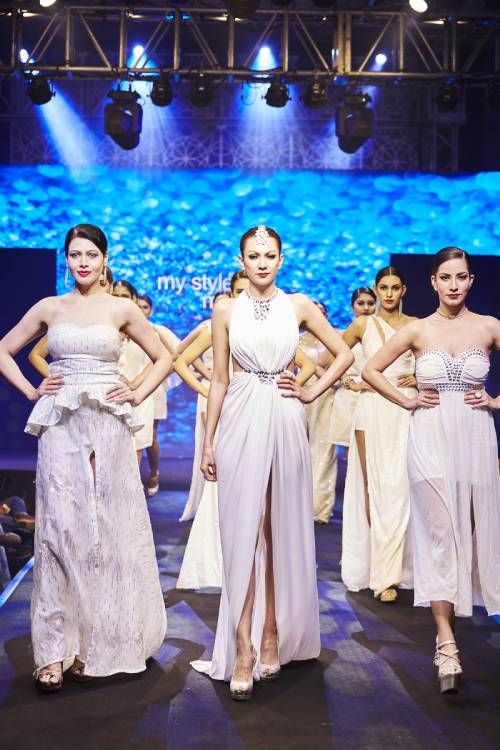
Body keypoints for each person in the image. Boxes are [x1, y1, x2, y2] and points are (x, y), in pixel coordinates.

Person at [0, 224, 170, 692]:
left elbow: (164, 358)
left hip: (107, 425)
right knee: (58, 529)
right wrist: (32, 389)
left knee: (104, 526)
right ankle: (53, 651)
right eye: (75, 254)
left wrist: (136, 392)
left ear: (104, 258)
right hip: (61, 422)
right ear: (67, 258)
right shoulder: (50, 307)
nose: (83, 262)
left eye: (91, 254)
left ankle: (95, 643)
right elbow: (4, 350)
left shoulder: (121, 308)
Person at [191, 225, 353, 701]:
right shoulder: (225, 308)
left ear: (282, 259)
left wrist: (310, 391)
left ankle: (272, 634)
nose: (262, 262)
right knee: (242, 528)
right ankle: (242, 645)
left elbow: (343, 354)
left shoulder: (298, 305)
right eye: (253, 255)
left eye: (269, 255)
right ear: (241, 261)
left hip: (284, 414)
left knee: (275, 528)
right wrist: (208, 442)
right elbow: (219, 379)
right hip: (240, 412)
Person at [363, 247, 500, 694]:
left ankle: (460, 621)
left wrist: (495, 401)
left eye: (461, 277)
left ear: (471, 280)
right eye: (446, 277)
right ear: (434, 283)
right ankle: (446, 641)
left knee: (470, 535)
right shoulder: (418, 330)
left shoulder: (489, 327)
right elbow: (370, 369)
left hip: (476, 439)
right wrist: (406, 400)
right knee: (440, 534)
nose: (454, 285)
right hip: (429, 438)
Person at [341, 267, 417, 604]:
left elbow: (437, 363)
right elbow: (333, 357)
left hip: (405, 410)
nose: (388, 294)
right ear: (376, 289)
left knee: (402, 488)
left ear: (403, 290)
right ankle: (382, 574)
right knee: (373, 488)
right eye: (383, 288)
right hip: (370, 409)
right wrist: (352, 381)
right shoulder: (362, 324)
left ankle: (401, 567)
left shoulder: (416, 325)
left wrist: (419, 378)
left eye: (394, 288)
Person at [176, 275, 249, 523]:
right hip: (217, 392)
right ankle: (216, 516)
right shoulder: (211, 326)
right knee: (217, 453)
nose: (242, 297)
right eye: (238, 292)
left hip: (247, 398)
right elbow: (180, 358)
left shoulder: (266, 323)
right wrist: (205, 386)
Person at [27, 266, 115, 378]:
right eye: (91, 284)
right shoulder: (68, 319)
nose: (96, 290)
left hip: (109, 385)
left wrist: (133, 384)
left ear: (111, 288)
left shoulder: (122, 319)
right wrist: (58, 380)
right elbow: (36, 354)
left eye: (102, 284)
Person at [136, 294, 179, 496]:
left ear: (150, 310)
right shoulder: (122, 328)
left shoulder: (157, 331)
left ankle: (153, 472)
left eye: (145, 307)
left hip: (154, 389)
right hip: (127, 388)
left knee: (151, 434)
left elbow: (175, 356)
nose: (141, 310)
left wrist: (159, 375)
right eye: (138, 306)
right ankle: (131, 479)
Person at [300, 301, 338, 524]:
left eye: (322, 313)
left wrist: (316, 369)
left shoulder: (335, 340)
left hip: (325, 396)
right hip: (300, 395)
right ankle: (297, 504)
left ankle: (319, 507)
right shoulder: (296, 340)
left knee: (323, 449)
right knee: (299, 449)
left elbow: (339, 372)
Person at [330, 287, 377, 452]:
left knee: (376, 448)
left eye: (371, 303)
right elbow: (329, 362)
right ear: (352, 307)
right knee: (351, 452)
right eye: (361, 303)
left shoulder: (382, 333)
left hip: (375, 393)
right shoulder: (343, 335)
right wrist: (349, 383)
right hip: (349, 397)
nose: (366, 308)